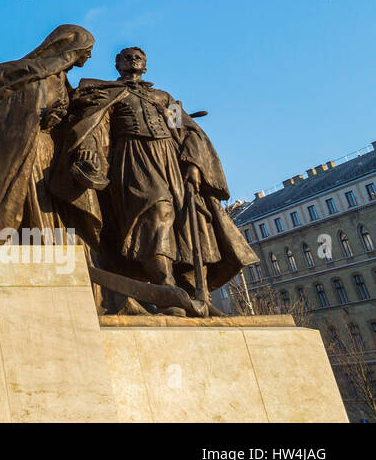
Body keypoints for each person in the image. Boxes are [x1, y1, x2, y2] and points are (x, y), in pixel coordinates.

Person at [63, 47, 257, 312]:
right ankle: (165, 288)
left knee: (186, 221)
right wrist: (87, 151)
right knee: (156, 211)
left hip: (170, 159)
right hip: (133, 157)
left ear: (145, 65)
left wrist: (193, 164)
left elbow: (187, 130)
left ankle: (193, 293)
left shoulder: (163, 97)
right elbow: (93, 125)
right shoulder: (109, 93)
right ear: (117, 64)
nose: (133, 59)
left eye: (138, 57)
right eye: (126, 56)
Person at [0, 24, 98, 242]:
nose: (89, 55)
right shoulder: (29, 73)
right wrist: (40, 116)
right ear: (70, 48)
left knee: (48, 208)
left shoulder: (62, 80)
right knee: (31, 203)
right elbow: (5, 110)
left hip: (49, 153)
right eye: (86, 49)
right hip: (28, 147)